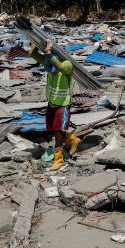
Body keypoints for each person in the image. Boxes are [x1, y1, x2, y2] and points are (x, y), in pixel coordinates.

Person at [28, 39, 81, 170]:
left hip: (63, 105)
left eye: (52, 68)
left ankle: (59, 160)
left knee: (58, 131)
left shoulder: (67, 65)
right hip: (52, 103)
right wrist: (37, 41)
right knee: (52, 129)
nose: (52, 72)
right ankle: (72, 140)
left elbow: (60, 67)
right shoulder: (49, 64)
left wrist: (48, 53)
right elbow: (32, 53)